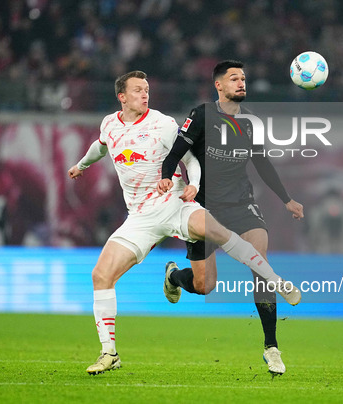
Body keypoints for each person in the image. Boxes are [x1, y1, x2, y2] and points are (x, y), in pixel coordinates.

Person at [67, 70, 300, 375]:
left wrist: (193, 184)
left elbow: (190, 159)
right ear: (121, 96)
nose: (144, 94)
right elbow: (101, 146)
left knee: (216, 230)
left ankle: (274, 279)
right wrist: (82, 164)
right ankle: (109, 353)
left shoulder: (162, 124)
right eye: (137, 90)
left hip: (175, 202)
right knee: (101, 276)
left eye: (147, 89)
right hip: (140, 217)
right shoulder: (110, 124)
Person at [157, 60, 304, 375]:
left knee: (259, 262)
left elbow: (262, 163)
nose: (241, 82)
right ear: (219, 86)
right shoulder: (201, 115)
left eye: (244, 78)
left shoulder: (251, 121)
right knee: (205, 284)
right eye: (234, 78)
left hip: (241, 205)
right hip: (203, 208)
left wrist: (287, 199)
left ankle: (271, 347)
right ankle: (173, 277)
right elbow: (175, 152)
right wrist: (166, 177)